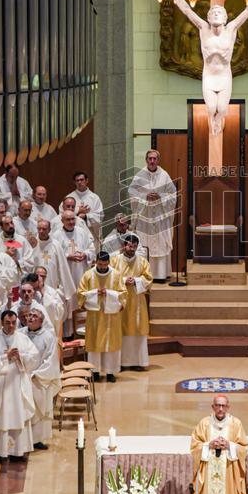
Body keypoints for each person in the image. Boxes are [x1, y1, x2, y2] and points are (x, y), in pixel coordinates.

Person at [163, 0, 248, 135]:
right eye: (213, 12)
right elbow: (187, 10)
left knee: (221, 109)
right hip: (209, 76)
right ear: (208, 17)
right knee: (211, 108)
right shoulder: (203, 28)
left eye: (219, 12)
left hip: (224, 76)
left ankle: (219, 119)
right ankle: (212, 119)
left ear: (225, 18)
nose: (215, 14)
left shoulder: (231, 29)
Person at [0, 309, 41, 465]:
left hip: (17, 385)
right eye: (8, 323)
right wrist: (5, 357)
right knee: (0, 416)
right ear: (1, 322)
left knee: (18, 415)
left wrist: (21, 356)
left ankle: (17, 451)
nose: (11, 326)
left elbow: (35, 357)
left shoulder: (22, 339)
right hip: (0, 386)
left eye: (14, 323)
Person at [190, 394, 248, 494]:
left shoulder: (236, 424)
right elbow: (194, 446)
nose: (220, 409)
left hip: (229, 472)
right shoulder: (204, 423)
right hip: (208, 472)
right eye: (217, 405)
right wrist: (209, 445)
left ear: (228, 407)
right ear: (213, 407)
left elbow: (244, 447)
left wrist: (229, 445)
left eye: (223, 405)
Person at [77, 251, 126, 382]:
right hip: (94, 317)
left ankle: (110, 372)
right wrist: (94, 293)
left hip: (111, 317)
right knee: (94, 344)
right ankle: (95, 372)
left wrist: (109, 294)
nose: (103, 267)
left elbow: (123, 294)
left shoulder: (116, 275)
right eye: (100, 264)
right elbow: (80, 294)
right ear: (96, 262)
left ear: (108, 262)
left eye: (105, 264)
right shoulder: (88, 275)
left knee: (111, 344)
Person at [129, 150, 177, 281]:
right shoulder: (139, 176)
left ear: (158, 160)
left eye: (154, 159)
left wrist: (160, 196)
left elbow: (173, 195)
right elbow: (132, 193)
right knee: (145, 243)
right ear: (146, 160)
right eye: (150, 158)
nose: (152, 161)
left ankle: (161, 275)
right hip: (145, 218)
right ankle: (145, 274)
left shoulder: (164, 175)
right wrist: (145, 196)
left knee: (161, 244)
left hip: (160, 218)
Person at [111, 233, 153, 371]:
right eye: (130, 246)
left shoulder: (142, 262)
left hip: (137, 301)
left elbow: (148, 279)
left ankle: (137, 362)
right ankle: (120, 363)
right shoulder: (115, 261)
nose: (132, 249)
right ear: (124, 246)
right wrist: (124, 280)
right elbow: (110, 278)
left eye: (134, 246)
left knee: (137, 331)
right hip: (120, 302)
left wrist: (136, 280)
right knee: (120, 332)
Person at [22, 306, 61, 451]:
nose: (31, 318)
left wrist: (36, 374)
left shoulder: (48, 337)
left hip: (39, 379)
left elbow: (51, 360)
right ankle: (24, 439)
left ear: (41, 321)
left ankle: (37, 440)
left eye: (34, 316)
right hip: (23, 378)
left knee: (40, 410)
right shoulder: (20, 334)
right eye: (29, 315)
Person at [55, 209, 95, 336]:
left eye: (73, 219)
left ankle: (82, 332)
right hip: (66, 276)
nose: (71, 222)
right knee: (68, 302)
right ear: (62, 221)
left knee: (81, 300)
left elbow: (91, 248)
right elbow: (54, 255)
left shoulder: (82, 232)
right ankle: (68, 334)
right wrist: (67, 256)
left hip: (81, 273)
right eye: (68, 219)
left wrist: (85, 254)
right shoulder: (56, 236)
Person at [65, 171, 103, 241]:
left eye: (81, 180)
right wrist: (77, 212)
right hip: (73, 235)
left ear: (86, 180)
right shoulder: (69, 198)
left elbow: (100, 216)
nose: (79, 182)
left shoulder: (94, 198)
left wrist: (86, 216)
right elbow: (62, 215)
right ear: (74, 182)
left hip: (91, 235)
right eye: (77, 180)